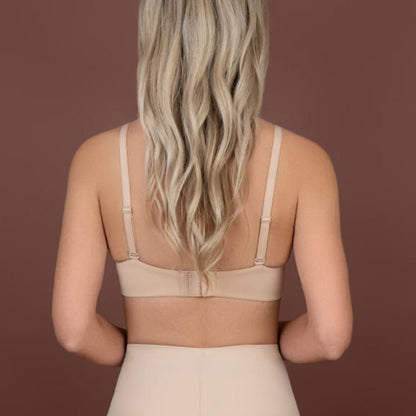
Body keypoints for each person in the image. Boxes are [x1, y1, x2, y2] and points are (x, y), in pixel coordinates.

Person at [51, 1, 353, 415]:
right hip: (259, 395)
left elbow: (74, 331)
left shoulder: (97, 160)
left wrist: (143, 350)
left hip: (145, 394)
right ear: (249, 36)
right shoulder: (306, 163)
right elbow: (329, 336)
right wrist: (266, 342)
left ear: (155, 34)